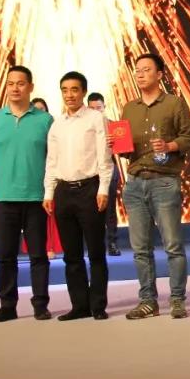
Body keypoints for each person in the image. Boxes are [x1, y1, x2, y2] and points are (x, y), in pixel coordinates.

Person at [119, 53, 190, 319]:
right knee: (140, 249)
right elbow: (127, 150)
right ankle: (148, 301)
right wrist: (118, 146)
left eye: (146, 70)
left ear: (160, 74)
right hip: (134, 183)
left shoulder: (174, 103)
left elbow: (189, 138)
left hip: (164, 181)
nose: (140, 74)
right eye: (137, 70)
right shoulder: (129, 108)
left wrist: (169, 146)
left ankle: (177, 299)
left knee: (173, 245)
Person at [0, 67, 54, 323]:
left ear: (30, 87)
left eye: (20, 83)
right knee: (6, 256)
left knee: (38, 256)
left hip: (36, 198)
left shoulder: (45, 120)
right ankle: (7, 305)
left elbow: (54, 156)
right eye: (10, 83)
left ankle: (40, 305)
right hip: (4, 198)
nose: (15, 88)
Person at [43, 72, 113, 321]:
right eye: (65, 90)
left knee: (96, 252)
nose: (69, 95)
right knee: (71, 255)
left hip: (90, 190)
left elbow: (104, 156)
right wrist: (49, 192)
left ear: (83, 91)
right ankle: (79, 305)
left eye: (74, 89)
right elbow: (52, 161)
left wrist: (103, 188)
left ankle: (98, 305)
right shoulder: (57, 124)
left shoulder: (95, 118)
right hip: (63, 192)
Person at [86, 92, 122, 256]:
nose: (96, 111)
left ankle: (112, 242)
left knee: (110, 208)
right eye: (92, 108)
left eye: (98, 108)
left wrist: (114, 144)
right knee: (89, 209)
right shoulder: (83, 127)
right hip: (89, 171)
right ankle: (94, 245)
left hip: (109, 170)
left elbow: (124, 150)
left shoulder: (114, 127)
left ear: (104, 107)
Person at [27, 97, 63, 259]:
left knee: (50, 212)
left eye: (42, 109)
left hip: (51, 176)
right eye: (36, 109)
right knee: (34, 214)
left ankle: (52, 246)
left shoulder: (54, 128)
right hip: (32, 177)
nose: (39, 112)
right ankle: (38, 247)